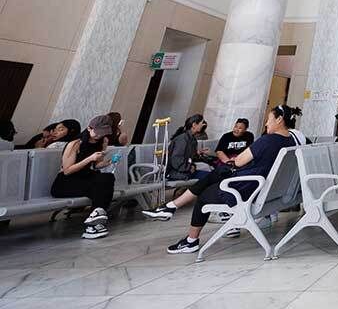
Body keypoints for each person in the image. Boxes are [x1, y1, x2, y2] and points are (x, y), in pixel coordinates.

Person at [142, 105, 300, 254]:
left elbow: (239, 161)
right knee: (218, 173)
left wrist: (235, 161)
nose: (266, 123)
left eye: (269, 119)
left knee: (204, 196)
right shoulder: (292, 141)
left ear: (279, 120)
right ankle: (170, 207)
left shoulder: (268, 140)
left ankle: (190, 239)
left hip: (249, 191)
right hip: (271, 191)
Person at [50, 115, 117, 239]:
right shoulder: (75, 143)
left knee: (107, 178)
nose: (99, 136)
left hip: (84, 176)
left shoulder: (103, 141)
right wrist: (90, 159)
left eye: (103, 133)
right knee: (98, 185)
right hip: (66, 182)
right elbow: (67, 171)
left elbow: (96, 166)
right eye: (97, 132)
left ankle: (96, 215)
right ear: (89, 128)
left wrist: (108, 162)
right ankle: (95, 219)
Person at [166, 114, 208, 181]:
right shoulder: (182, 139)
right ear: (194, 125)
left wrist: (198, 154)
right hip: (176, 173)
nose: (203, 125)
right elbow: (176, 160)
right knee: (208, 177)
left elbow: (190, 157)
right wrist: (189, 167)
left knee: (210, 175)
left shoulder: (192, 140)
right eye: (202, 123)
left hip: (185, 171)